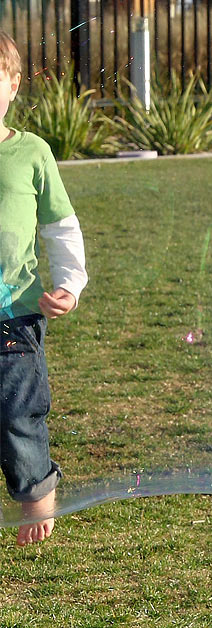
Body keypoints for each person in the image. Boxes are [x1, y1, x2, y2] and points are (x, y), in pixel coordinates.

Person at [0, 32, 88, 545]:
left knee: (17, 410)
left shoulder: (33, 154)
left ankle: (35, 497)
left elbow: (61, 228)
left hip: (15, 314)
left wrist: (70, 285)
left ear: (12, 85)